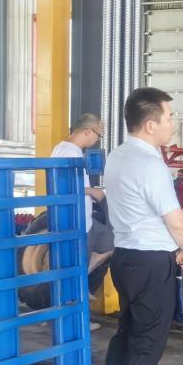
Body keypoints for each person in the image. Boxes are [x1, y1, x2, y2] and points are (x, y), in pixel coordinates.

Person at [92, 87, 183, 365]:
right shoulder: (151, 164)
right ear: (151, 125)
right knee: (147, 345)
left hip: (125, 258)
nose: (173, 123)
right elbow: (174, 218)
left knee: (127, 335)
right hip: (151, 263)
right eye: (169, 117)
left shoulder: (118, 155)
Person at [51, 113, 113, 267]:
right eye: (99, 135)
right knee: (108, 243)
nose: (97, 139)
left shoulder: (61, 147)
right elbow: (67, 187)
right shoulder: (72, 152)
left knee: (108, 242)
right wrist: (93, 192)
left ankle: (83, 275)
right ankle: (83, 275)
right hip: (78, 222)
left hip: (77, 220)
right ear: (88, 131)